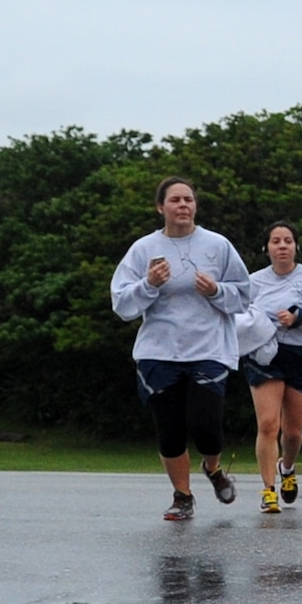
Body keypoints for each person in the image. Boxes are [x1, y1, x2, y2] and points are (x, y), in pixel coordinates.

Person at [111, 177, 249, 521]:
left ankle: (213, 469)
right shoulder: (143, 249)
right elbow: (122, 304)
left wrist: (216, 290)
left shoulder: (218, 245)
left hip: (208, 349)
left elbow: (244, 295)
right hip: (159, 352)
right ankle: (182, 497)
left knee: (206, 427)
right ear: (161, 207)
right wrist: (149, 284)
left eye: (189, 199)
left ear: (196, 206)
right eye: (175, 200)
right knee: (170, 431)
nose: (183, 205)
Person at [243, 222, 302, 513]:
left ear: (296, 246)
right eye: (275, 241)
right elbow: (238, 318)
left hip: (301, 354)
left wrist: (299, 320)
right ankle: (268, 491)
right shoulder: (253, 281)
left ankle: (288, 467)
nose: (282, 246)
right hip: (265, 354)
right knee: (268, 424)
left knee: (293, 433)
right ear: (266, 248)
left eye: (287, 241)